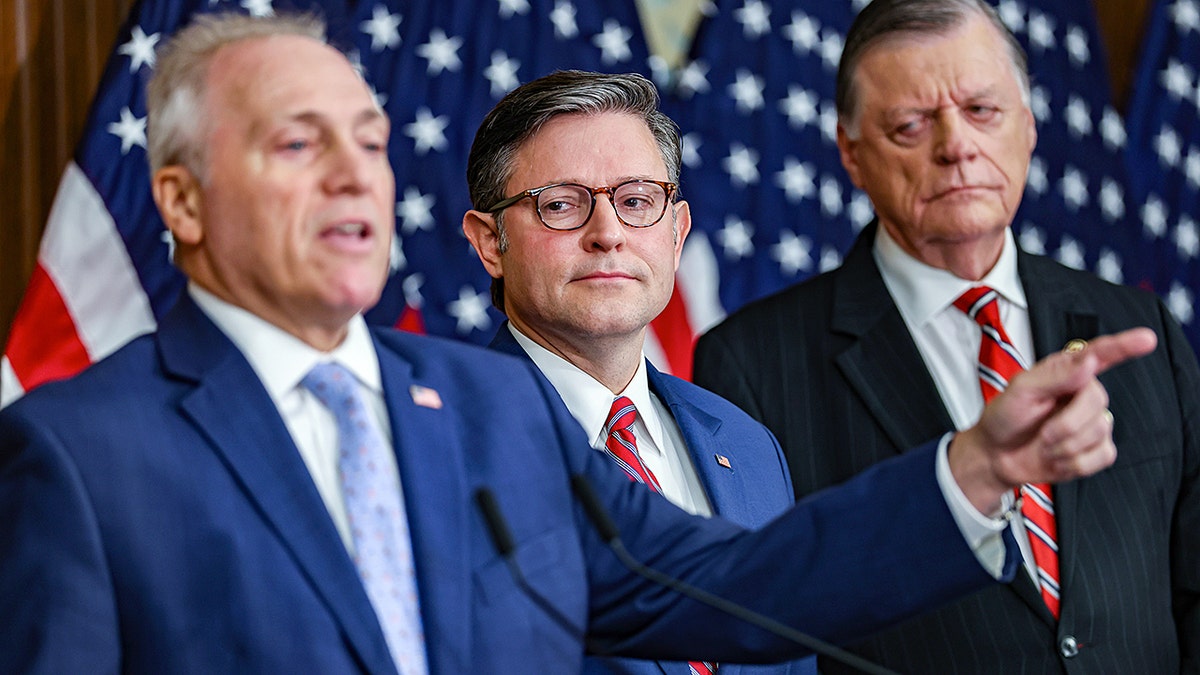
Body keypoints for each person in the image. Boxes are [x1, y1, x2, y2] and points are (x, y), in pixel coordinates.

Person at [0, 11, 1155, 674]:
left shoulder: (473, 410)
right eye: (298, 144)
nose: (356, 171)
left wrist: (974, 472)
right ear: (184, 203)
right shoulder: (76, 455)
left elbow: (721, 580)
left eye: (368, 136)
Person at [693, 1, 1200, 673]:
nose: (956, 145)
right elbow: (766, 619)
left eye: (983, 112)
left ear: (1029, 126)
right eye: (910, 124)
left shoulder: (1140, 330)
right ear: (851, 153)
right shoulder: (750, 362)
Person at [462, 70, 811, 675]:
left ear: (676, 235)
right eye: (562, 204)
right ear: (491, 242)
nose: (608, 234)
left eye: (636, 201)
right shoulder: (443, 444)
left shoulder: (750, 446)